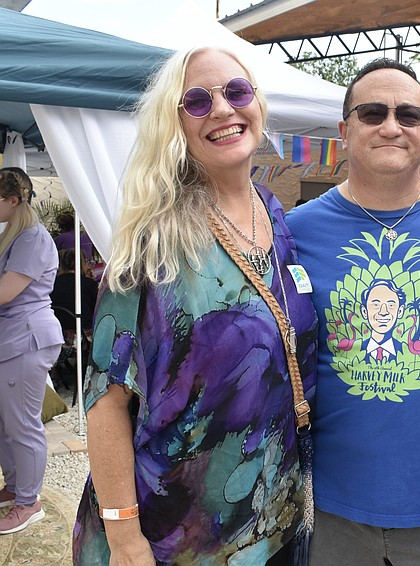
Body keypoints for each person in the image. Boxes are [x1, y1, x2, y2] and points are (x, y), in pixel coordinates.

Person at [71, 47, 318, 566]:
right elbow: (106, 399)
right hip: (169, 536)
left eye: (236, 92)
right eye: (199, 101)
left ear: (257, 104)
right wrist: (124, 538)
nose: (224, 110)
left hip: (269, 524)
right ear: (175, 125)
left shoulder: (276, 220)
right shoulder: (152, 239)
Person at [286, 58, 420, 566]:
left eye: (407, 114)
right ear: (344, 129)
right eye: (372, 112)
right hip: (332, 510)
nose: (391, 126)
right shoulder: (293, 231)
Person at [0, 167, 63, 535]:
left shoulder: (32, 238)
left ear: (12, 201)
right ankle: (15, 486)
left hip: (26, 339)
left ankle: (29, 503)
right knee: (7, 422)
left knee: (23, 424)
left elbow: (5, 293)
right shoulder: (15, 234)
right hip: (13, 339)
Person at [50, 249, 99, 332]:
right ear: (81, 263)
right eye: (87, 261)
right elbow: (97, 311)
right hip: (83, 332)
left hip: (56, 330)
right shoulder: (89, 284)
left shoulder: (52, 284)